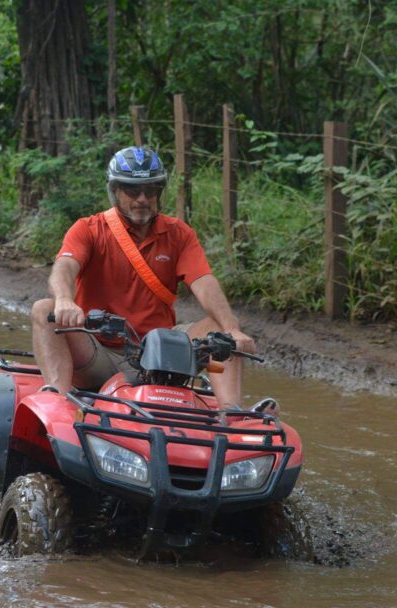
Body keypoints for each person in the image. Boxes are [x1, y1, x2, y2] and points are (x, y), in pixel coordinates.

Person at [30, 145, 269, 412]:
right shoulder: (89, 229)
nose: (142, 198)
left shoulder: (179, 233)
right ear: (116, 192)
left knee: (221, 327)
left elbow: (204, 282)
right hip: (99, 350)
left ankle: (231, 412)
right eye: (132, 190)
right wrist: (64, 300)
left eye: (150, 190)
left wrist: (231, 328)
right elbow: (64, 267)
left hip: (162, 354)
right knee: (44, 308)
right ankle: (57, 399)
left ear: (159, 193)